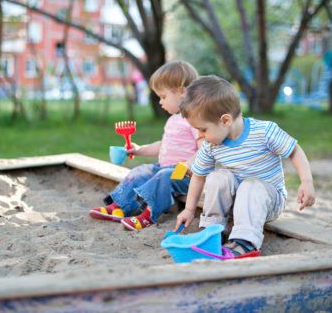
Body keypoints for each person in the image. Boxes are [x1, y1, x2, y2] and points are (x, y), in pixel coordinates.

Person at [175, 75, 315, 256]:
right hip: (236, 201)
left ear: (225, 120)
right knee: (218, 177)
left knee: (251, 185)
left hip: (267, 199)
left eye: (203, 129)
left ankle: (245, 242)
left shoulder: (264, 132)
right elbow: (199, 176)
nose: (200, 135)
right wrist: (189, 209)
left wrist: (306, 181)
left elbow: (294, 151)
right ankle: (213, 231)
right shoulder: (211, 145)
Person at [89, 61, 202, 231]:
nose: (160, 102)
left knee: (164, 175)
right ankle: (119, 207)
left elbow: (205, 150)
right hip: (164, 167)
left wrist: (186, 165)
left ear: (182, 91)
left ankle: (149, 215)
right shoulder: (173, 120)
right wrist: (139, 149)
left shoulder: (195, 120)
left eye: (163, 96)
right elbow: (163, 145)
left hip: (186, 174)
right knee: (140, 171)